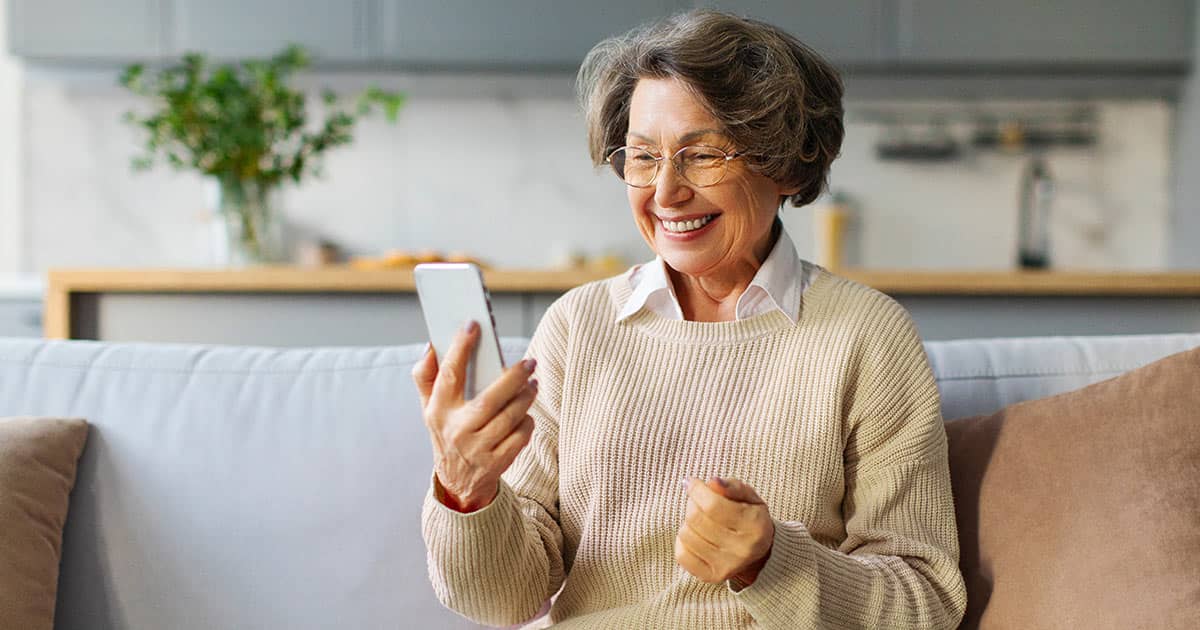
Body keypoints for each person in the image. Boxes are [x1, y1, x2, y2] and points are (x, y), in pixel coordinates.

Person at [412, 9, 967, 629]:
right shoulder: (579, 326)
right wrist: (467, 489)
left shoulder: (867, 336)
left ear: (785, 164)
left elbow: (927, 602)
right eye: (643, 158)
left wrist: (768, 562)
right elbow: (502, 601)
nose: (666, 192)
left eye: (701, 156)